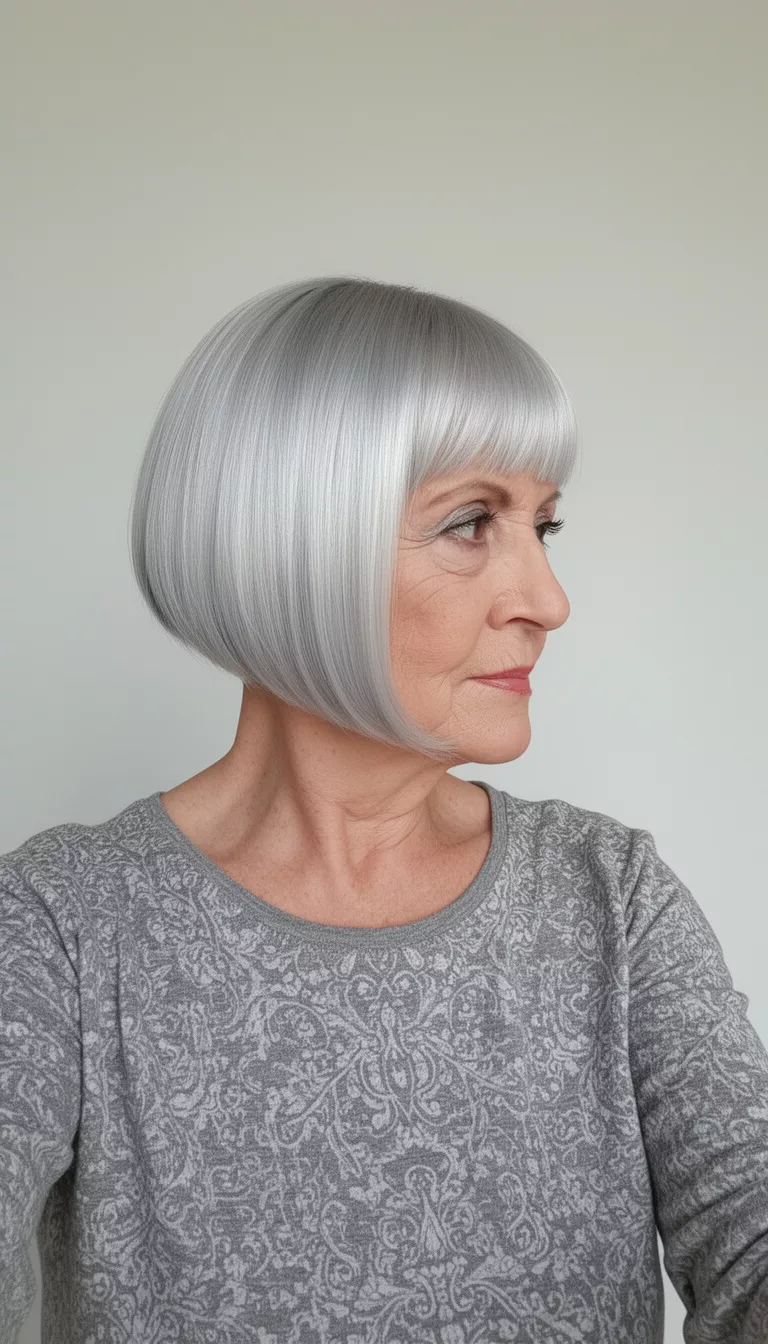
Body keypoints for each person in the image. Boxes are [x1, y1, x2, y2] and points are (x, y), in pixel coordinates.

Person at [1, 276, 767, 1344]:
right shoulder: (62, 923)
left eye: (544, 526)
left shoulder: (611, 898)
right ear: (289, 540)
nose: (547, 600)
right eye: (470, 523)